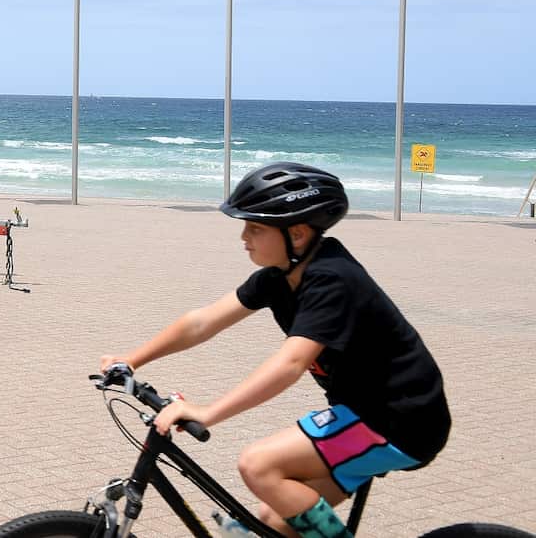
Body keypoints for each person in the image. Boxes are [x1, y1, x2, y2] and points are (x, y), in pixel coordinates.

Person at [99, 163, 450, 538]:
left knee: (258, 465)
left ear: (296, 233)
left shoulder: (332, 279)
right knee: (275, 521)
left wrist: (207, 412)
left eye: (255, 228)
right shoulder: (279, 277)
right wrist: (134, 358)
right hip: (361, 414)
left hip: (399, 421)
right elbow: (202, 322)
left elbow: (291, 363)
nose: (243, 236)